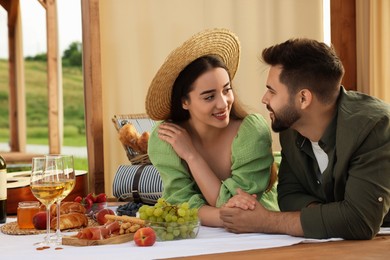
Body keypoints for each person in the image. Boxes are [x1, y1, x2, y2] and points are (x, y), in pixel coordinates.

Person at [220, 38, 390, 240]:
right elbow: (288, 195)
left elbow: (358, 221)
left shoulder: (374, 127)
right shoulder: (292, 127)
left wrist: (265, 221)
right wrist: (333, 215)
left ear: (303, 98)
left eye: (272, 91)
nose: (264, 99)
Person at [145, 28, 279, 227]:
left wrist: (191, 155)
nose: (223, 103)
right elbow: (181, 204)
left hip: (260, 231)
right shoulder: (166, 139)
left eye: (227, 90)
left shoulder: (251, 132)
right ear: (184, 102)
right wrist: (226, 216)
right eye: (209, 97)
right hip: (208, 233)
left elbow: (242, 207)